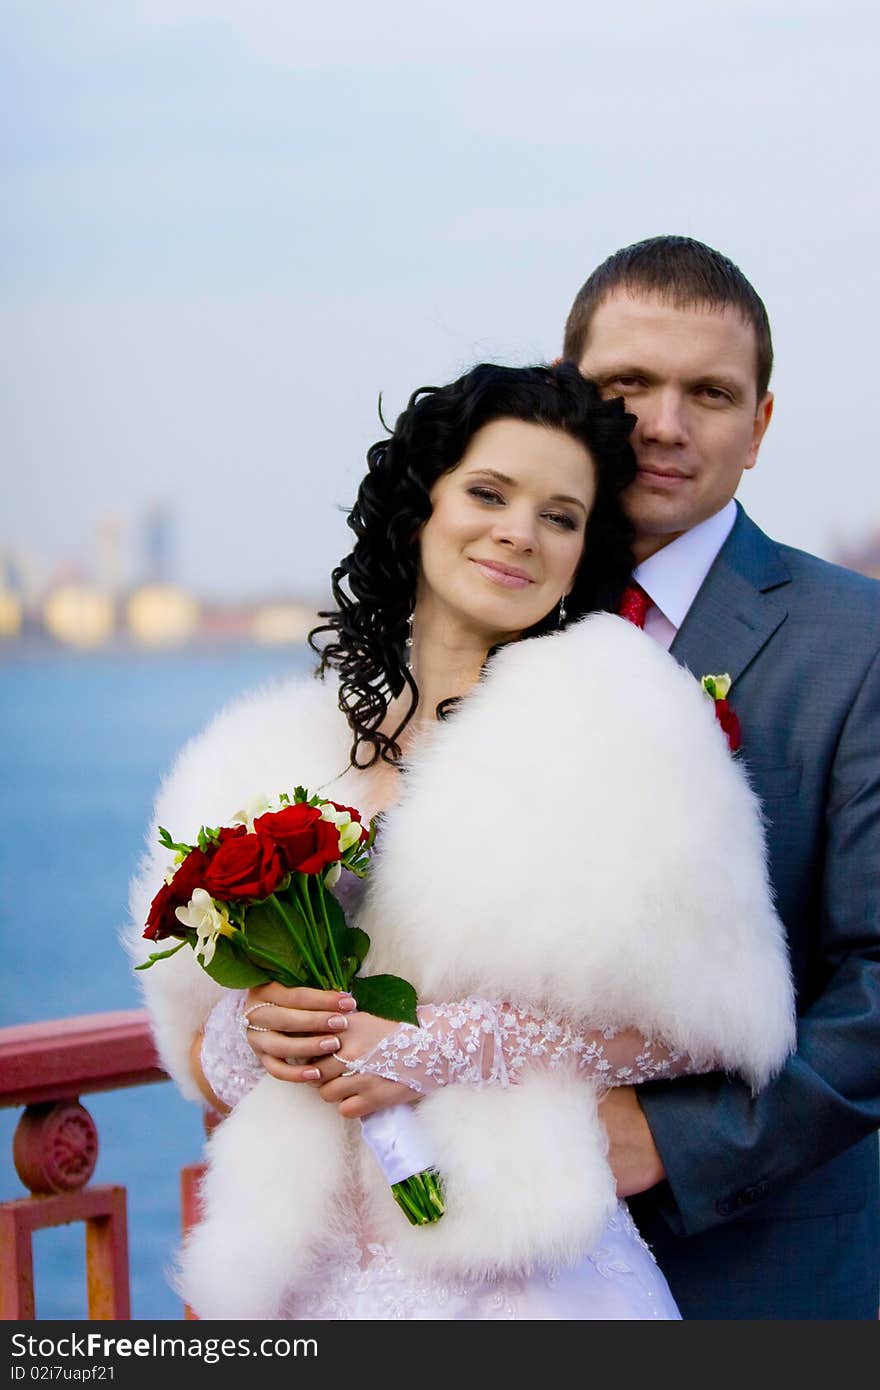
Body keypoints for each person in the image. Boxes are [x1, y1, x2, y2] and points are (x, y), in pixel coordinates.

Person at [127, 362, 795, 1321]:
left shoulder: (625, 725)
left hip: (524, 1274)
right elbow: (193, 1043)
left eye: (560, 517)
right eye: (489, 493)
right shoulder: (272, 749)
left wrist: (444, 1044)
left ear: (582, 553)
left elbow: (712, 1024)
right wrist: (264, 1029)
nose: (519, 532)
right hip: (308, 1279)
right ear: (420, 511)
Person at [562, 234, 880, 1320]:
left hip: (761, 1273)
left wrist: (669, 1139)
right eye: (626, 385)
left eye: (708, 391)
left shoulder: (858, 642)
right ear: (570, 397)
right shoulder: (499, 618)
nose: (663, 422)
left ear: (760, 425)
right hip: (492, 1263)